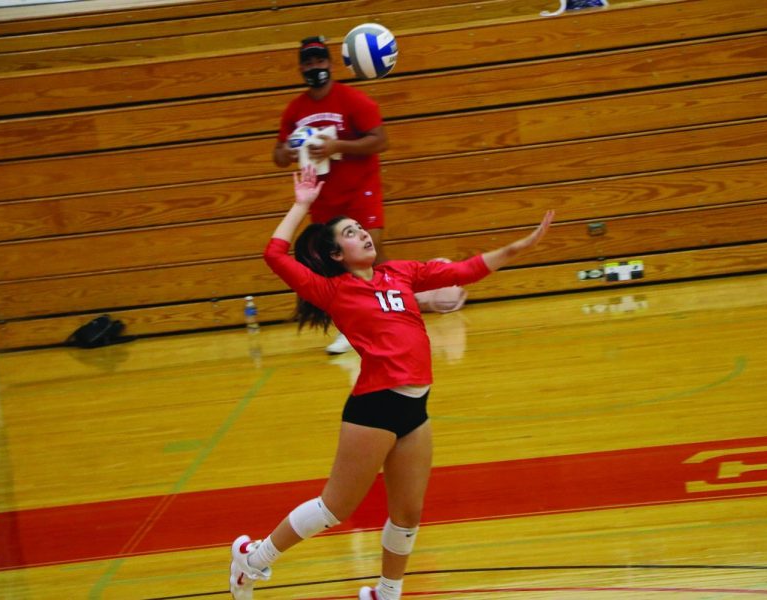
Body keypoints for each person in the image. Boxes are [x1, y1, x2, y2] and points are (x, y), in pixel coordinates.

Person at [229, 166, 554, 600]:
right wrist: (302, 204)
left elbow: (465, 270)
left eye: (362, 228)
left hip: (414, 409)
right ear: (337, 255)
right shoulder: (332, 291)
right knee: (334, 509)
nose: (363, 233)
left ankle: (387, 593)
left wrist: (518, 247)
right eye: (350, 232)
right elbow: (274, 255)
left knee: (407, 513)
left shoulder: (400, 273)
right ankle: (253, 560)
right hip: (375, 407)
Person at [273, 35, 466, 354]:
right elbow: (278, 156)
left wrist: (338, 146)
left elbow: (380, 141)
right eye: (307, 62)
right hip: (323, 195)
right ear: (300, 68)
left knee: (371, 249)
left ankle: (401, 306)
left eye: (319, 60)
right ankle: (353, 326)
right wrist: (291, 151)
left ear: (330, 64)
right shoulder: (295, 110)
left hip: (360, 187)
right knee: (334, 263)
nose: (314, 66)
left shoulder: (353, 101)